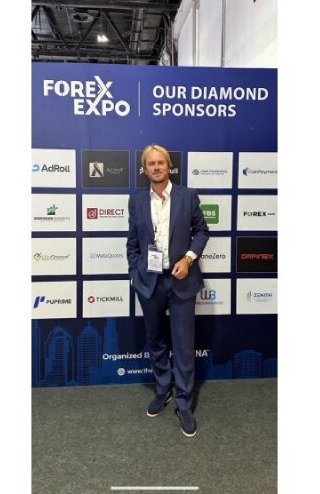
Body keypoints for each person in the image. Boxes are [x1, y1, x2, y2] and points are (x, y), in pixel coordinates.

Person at [127, 145, 209, 437]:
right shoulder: (137, 200)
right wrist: (134, 273)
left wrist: (188, 259)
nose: (156, 167)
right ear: (145, 169)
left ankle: (184, 403)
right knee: (156, 340)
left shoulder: (187, 196)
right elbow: (133, 242)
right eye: (151, 163)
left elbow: (202, 231)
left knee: (184, 343)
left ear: (169, 166)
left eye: (161, 163)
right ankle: (164, 390)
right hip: (149, 281)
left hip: (181, 280)